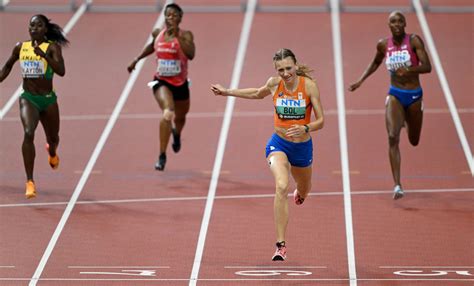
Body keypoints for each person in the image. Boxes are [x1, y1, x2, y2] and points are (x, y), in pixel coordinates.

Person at [211, 48, 324, 261]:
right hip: (278, 144)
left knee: (304, 188)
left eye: (288, 68)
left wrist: (306, 128)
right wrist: (227, 91)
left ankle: (301, 192)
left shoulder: (308, 86)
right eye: (280, 69)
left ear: (296, 66)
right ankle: (280, 245)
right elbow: (256, 93)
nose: (285, 73)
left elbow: (321, 121)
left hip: (301, 147)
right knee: (281, 185)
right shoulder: (274, 84)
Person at [348, 11, 431, 200]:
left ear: (405, 24)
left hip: (414, 95)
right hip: (395, 94)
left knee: (414, 140)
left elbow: (428, 67)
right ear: (389, 25)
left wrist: (409, 69)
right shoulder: (384, 45)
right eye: (393, 21)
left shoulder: (414, 41)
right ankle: (398, 185)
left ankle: (408, 121)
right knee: (393, 137)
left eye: (400, 21)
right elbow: (376, 62)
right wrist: (361, 80)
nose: (397, 24)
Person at [0, 14, 69, 199]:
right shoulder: (20, 47)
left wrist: (45, 56)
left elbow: (61, 71)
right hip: (28, 98)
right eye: (31, 25)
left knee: (53, 138)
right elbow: (7, 67)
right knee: (29, 132)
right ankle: (30, 182)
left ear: (45, 30)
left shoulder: (52, 47)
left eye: (38, 26)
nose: (34, 29)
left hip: (48, 99)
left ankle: (52, 151)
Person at [127, 3, 195, 171]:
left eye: (173, 15)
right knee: (168, 112)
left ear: (180, 18)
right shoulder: (158, 33)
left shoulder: (186, 35)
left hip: (181, 83)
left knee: (180, 118)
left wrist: (177, 37)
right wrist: (136, 59)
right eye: (167, 15)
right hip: (161, 82)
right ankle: (162, 155)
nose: (169, 18)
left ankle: (177, 134)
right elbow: (152, 46)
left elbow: (191, 54)